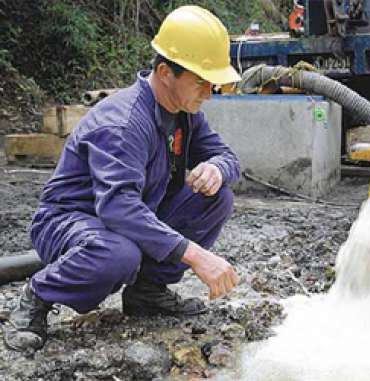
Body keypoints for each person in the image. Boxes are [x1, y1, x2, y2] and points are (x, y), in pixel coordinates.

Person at [3, 5, 241, 352]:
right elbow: (117, 208)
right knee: (119, 254)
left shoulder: (184, 114)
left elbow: (230, 158)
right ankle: (37, 297)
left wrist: (218, 167)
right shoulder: (125, 124)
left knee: (217, 197)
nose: (209, 91)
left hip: (123, 218)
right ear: (165, 72)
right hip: (70, 221)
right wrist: (196, 255)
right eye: (201, 81)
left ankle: (147, 293)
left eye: (213, 82)